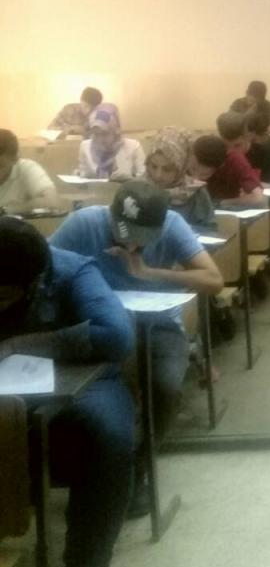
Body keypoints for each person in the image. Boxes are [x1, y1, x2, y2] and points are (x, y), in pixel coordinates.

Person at [50, 181, 223, 516]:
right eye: (124, 234)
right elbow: (45, 267)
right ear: (112, 216)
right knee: (102, 395)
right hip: (99, 326)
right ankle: (85, 470)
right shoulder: (85, 223)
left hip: (158, 324)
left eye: (141, 237)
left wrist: (148, 272)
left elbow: (213, 280)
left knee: (166, 386)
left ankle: (138, 467)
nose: (131, 244)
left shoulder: (172, 224)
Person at [0, 217, 135, 567]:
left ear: (33, 282)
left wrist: (19, 344)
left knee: (111, 439)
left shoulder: (71, 270)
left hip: (77, 382)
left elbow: (117, 336)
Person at [144, 127, 216, 230]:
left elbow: (210, 230)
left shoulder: (196, 193)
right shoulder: (137, 188)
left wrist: (181, 231)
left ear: (181, 168)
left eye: (167, 169)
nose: (158, 175)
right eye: (153, 166)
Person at [201, 113, 263, 206]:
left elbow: (257, 197)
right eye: (225, 146)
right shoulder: (217, 151)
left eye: (237, 145)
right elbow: (257, 197)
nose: (230, 151)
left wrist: (220, 203)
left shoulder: (237, 157)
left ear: (248, 136)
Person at [77, 104, 145, 181]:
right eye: (96, 134)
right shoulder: (85, 146)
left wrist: (129, 181)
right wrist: (79, 174)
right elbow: (83, 177)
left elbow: (144, 180)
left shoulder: (133, 147)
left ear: (116, 132)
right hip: (94, 189)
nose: (100, 139)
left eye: (104, 134)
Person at [0, 129, 59, 214]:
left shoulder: (26, 167)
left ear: (15, 159)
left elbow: (52, 201)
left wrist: (6, 210)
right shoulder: (9, 161)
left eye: (1, 166)